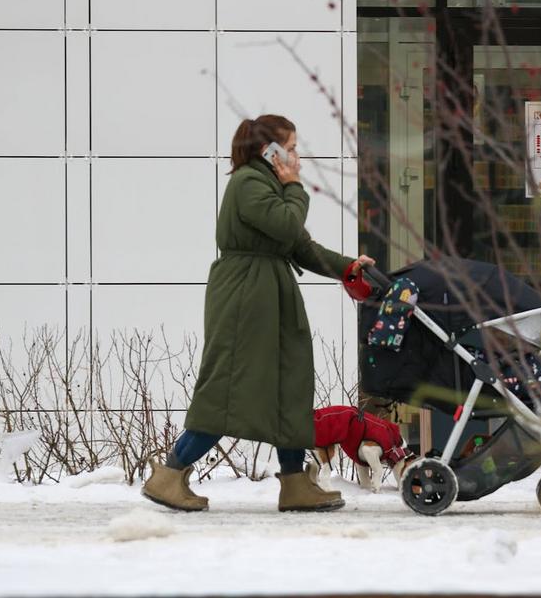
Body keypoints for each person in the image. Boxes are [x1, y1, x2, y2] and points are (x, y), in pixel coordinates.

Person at [142, 114, 375, 512]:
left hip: (269, 293)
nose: (298, 156)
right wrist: (295, 186)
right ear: (271, 151)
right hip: (246, 297)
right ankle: (169, 476)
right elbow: (287, 225)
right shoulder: (249, 182)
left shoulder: (266, 185)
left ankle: (295, 483)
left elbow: (301, 245)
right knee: (229, 389)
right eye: (293, 147)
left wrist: (349, 268)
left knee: (289, 385)